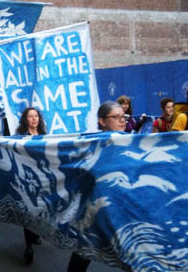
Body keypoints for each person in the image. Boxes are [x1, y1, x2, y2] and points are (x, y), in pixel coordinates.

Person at [67, 101, 126, 272]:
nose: (122, 121)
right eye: (116, 117)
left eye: (124, 117)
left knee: (132, 251)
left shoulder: (131, 142)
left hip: (121, 209)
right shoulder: (91, 145)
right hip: (95, 208)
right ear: (102, 121)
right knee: (85, 250)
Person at [15, 107, 46, 264]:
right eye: (30, 116)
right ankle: (29, 246)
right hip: (27, 179)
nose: (34, 119)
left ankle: (36, 233)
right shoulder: (21, 138)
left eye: (36, 116)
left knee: (40, 210)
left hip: (42, 179)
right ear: (25, 120)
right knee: (29, 210)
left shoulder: (45, 137)